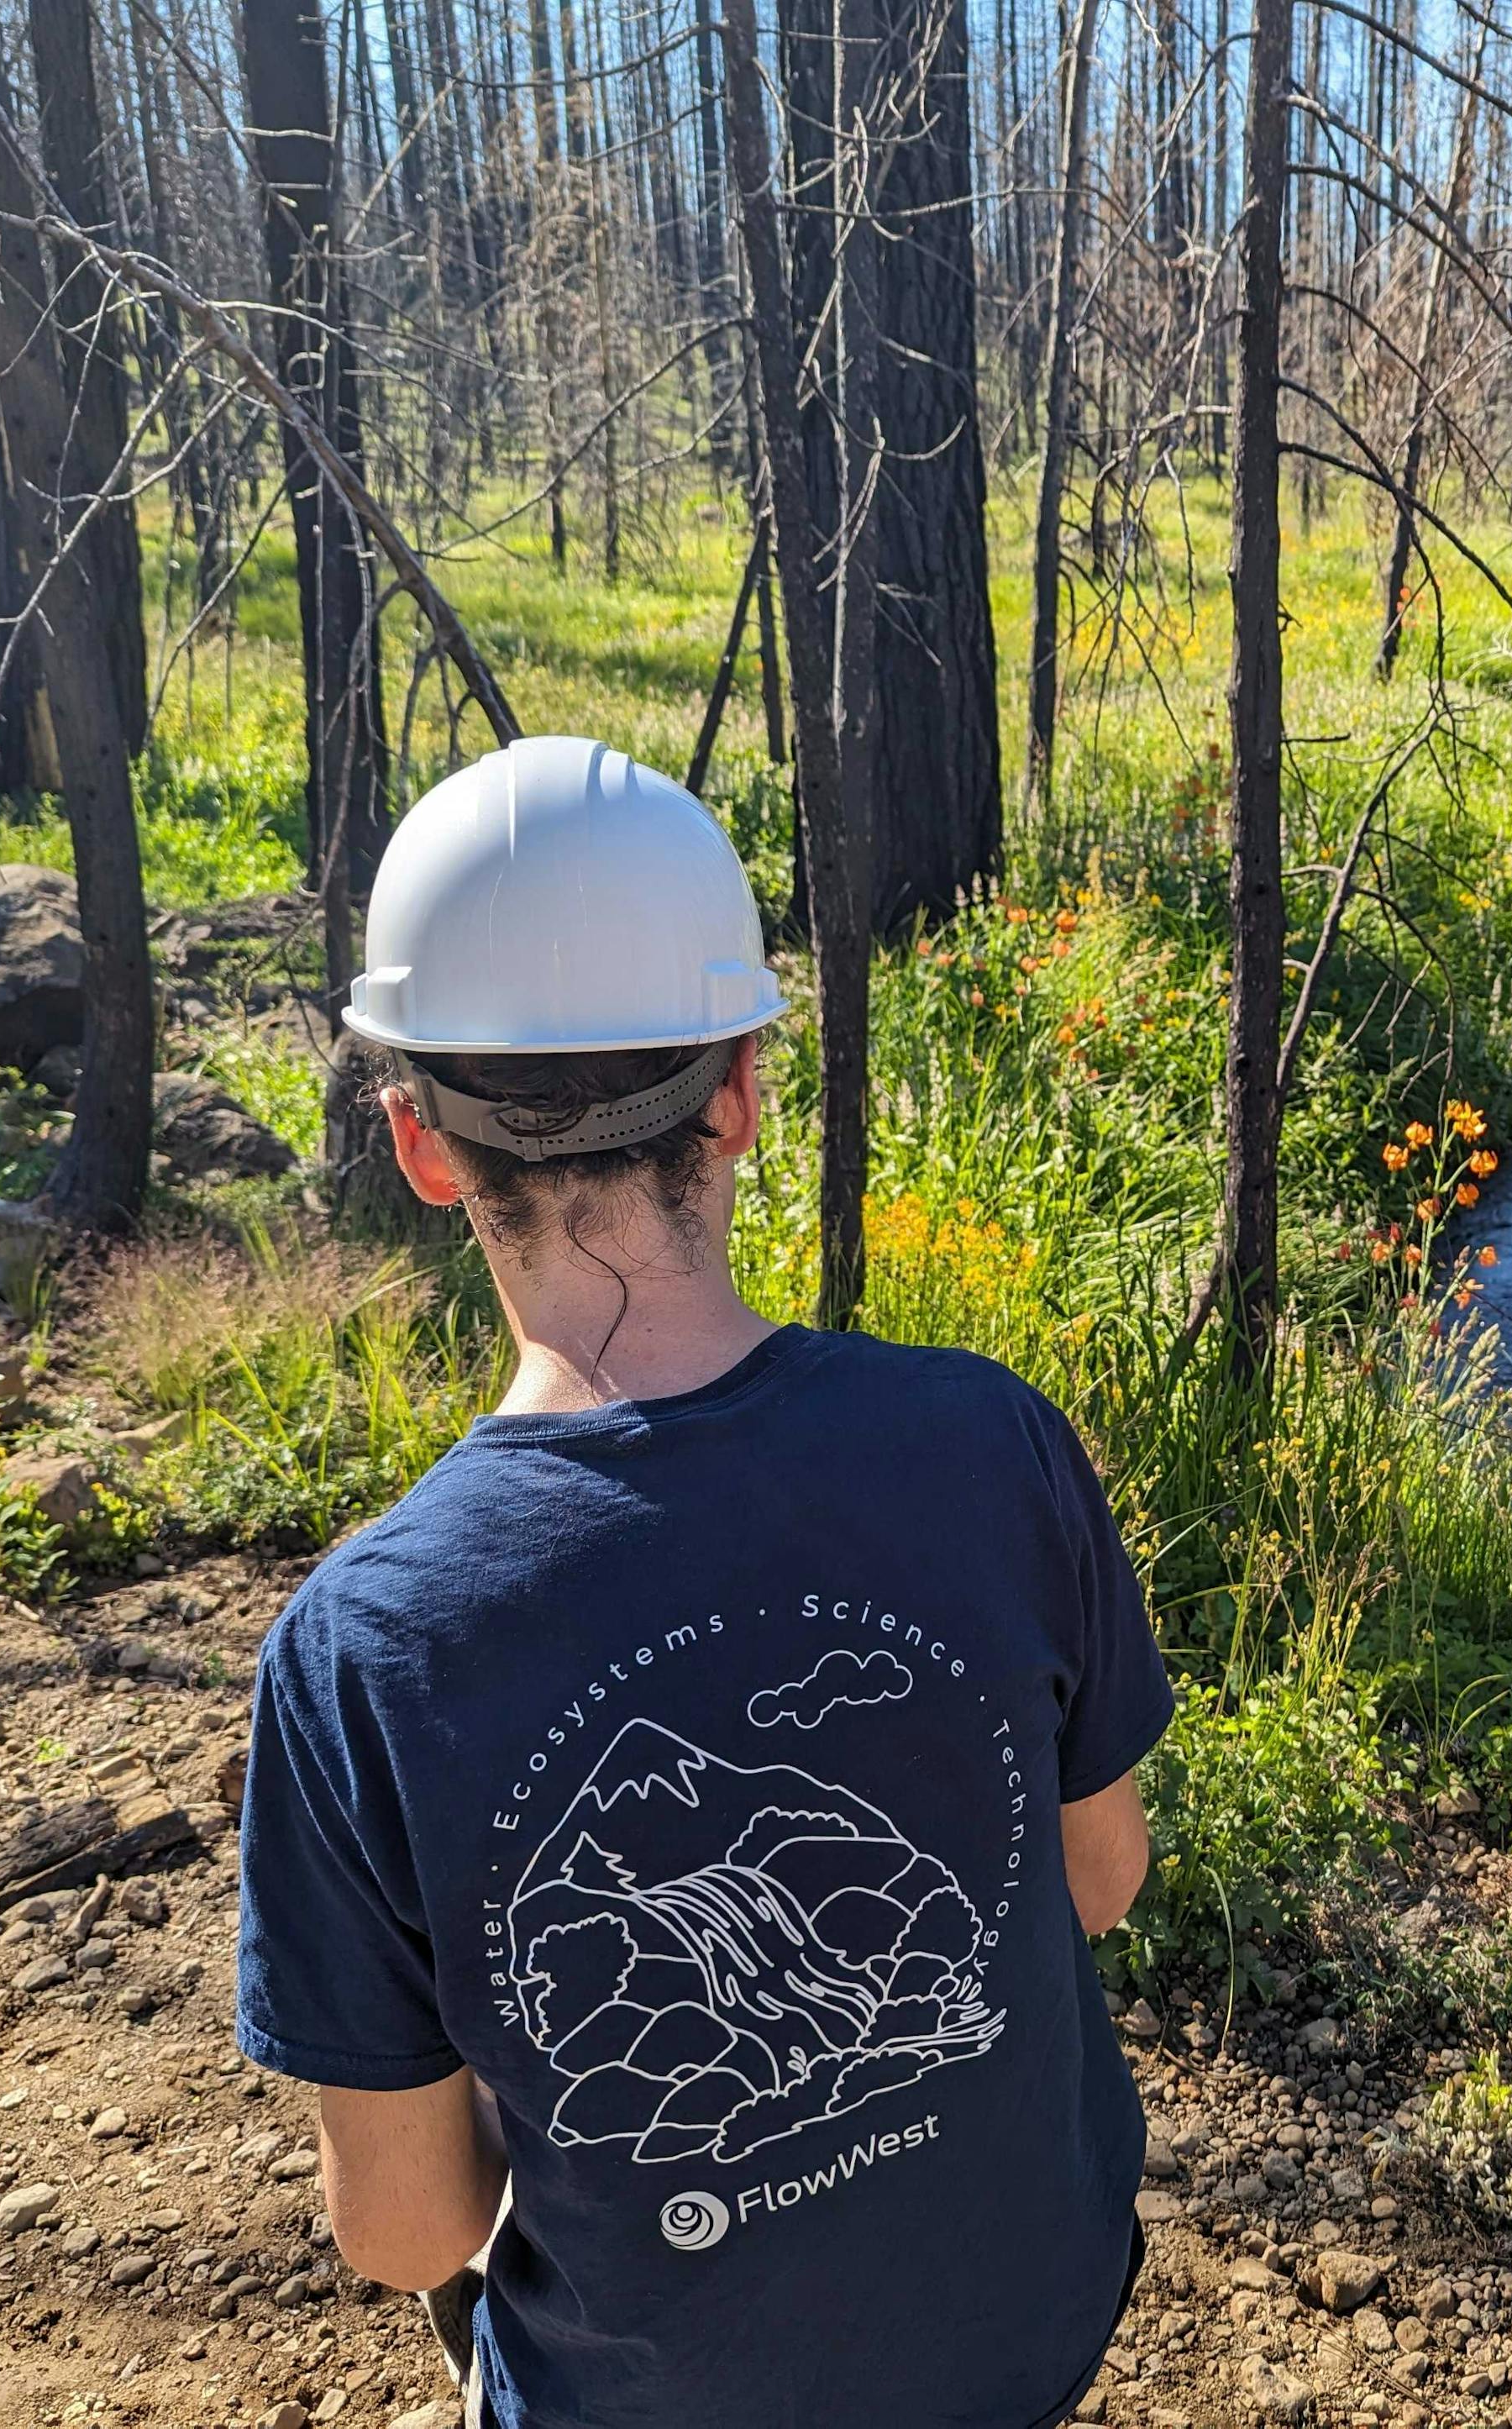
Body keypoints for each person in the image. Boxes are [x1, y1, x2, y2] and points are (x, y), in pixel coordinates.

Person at [234, 736, 1171, 2429]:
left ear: (424, 1151)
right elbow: (1097, 1883)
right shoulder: (991, 1441)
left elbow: (408, 2229)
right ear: (742, 1093)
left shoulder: (364, 1654)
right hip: (1036, 2326)